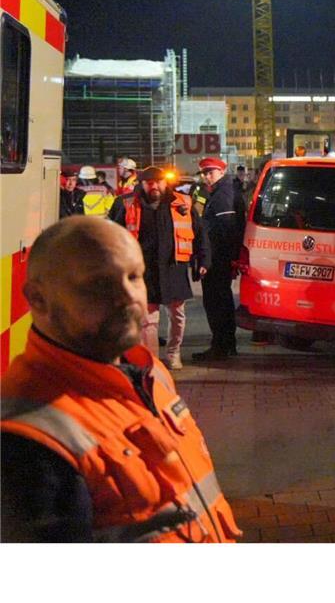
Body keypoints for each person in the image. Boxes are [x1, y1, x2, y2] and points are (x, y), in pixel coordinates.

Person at [0, 217, 240, 542]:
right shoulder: (25, 441)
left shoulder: (150, 373)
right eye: (100, 284)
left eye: (134, 276)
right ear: (38, 298)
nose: (128, 296)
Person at [108, 166, 210, 370]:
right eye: (149, 182)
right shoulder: (127, 204)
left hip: (174, 268)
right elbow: (114, 235)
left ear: (165, 183)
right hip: (145, 270)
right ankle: (152, 360)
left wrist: (204, 260)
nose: (154, 186)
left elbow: (200, 233)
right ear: (142, 184)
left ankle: (174, 353)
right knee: (149, 320)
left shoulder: (182, 203)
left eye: (158, 182)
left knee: (178, 316)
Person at [193, 157, 246, 361]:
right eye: (204, 173)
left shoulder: (224, 193)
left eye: (210, 172)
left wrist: (225, 257)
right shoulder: (220, 191)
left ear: (222, 172)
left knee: (216, 302)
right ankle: (226, 344)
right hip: (219, 256)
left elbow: (227, 228)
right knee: (221, 300)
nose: (207, 177)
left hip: (218, 257)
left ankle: (220, 345)